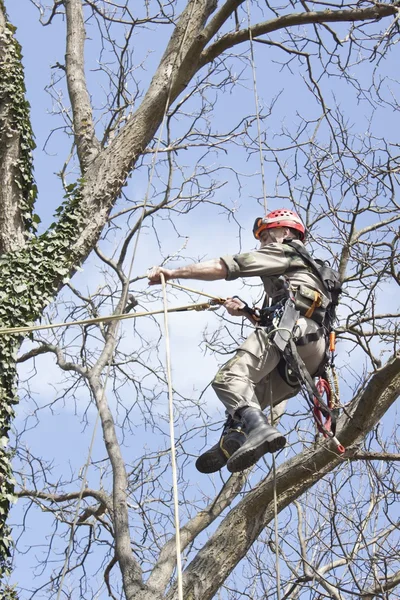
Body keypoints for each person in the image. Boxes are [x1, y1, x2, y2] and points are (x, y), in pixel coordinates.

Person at [148, 209, 330, 473]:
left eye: (267, 236)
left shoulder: (285, 251)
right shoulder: (309, 271)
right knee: (245, 397)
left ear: (287, 233)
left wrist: (173, 273)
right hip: (310, 352)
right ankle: (234, 438)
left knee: (229, 379)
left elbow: (229, 265)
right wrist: (248, 312)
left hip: (292, 332)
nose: (263, 245)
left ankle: (258, 430)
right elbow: (297, 307)